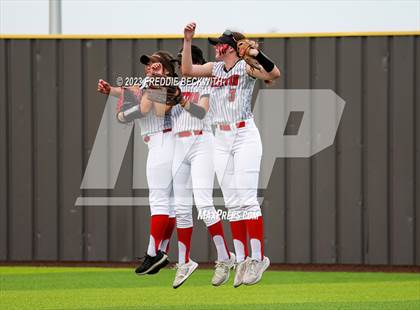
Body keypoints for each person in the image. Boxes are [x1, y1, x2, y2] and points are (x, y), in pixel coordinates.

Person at [181, 22, 281, 287]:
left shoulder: (244, 66)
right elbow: (187, 70)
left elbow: (274, 74)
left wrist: (256, 54)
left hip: (244, 134)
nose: (216, 47)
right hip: (220, 138)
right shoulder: (214, 69)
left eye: (220, 44)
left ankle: (259, 258)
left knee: (247, 199)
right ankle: (243, 257)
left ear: (232, 47)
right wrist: (188, 41)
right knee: (232, 203)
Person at [97, 51, 178, 275]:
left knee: (159, 200)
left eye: (156, 66)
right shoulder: (150, 82)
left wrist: (121, 116)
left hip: (163, 141)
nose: (151, 69)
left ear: (167, 70)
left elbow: (142, 109)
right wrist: (111, 90)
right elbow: (132, 91)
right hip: (164, 142)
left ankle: (153, 254)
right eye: (149, 65)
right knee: (169, 203)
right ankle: (161, 251)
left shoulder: (163, 83)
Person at [171, 46, 235, 289]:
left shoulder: (206, 83)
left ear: (194, 61)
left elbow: (200, 112)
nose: (180, 66)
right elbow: (153, 107)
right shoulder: (174, 86)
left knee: (204, 203)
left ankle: (225, 256)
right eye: (178, 63)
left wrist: (180, 100)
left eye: (183, 61)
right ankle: (184, 261)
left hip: (201, 141)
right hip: (179, 143)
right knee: (181, 207)